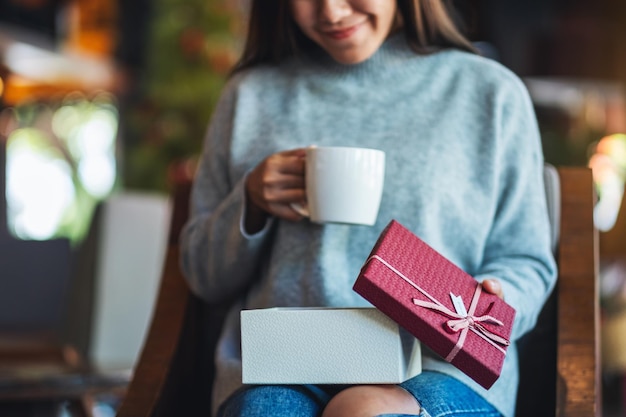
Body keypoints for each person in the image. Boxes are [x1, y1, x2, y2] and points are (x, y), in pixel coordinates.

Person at [180, 1, 557, 416]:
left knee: (364, 410)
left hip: (441, 368)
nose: (332, 12)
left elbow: (526, 262)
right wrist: (249, 204)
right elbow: (203, 277)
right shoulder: (250, 96)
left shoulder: (490, 93)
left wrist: (492, 304)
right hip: (281, 367)